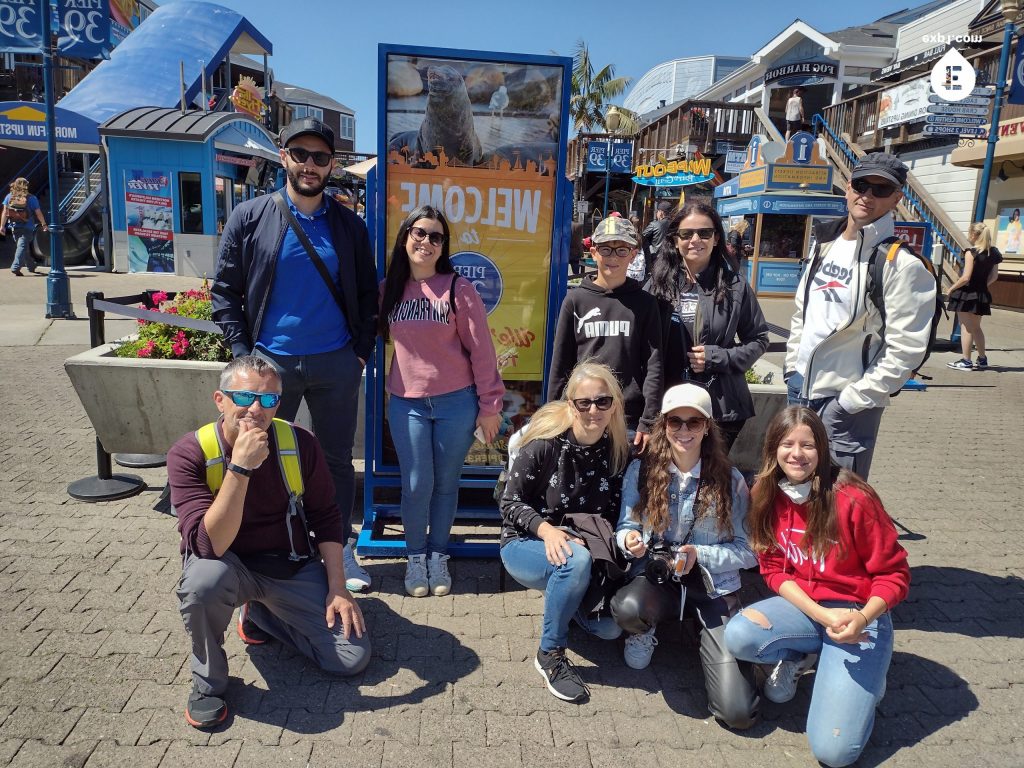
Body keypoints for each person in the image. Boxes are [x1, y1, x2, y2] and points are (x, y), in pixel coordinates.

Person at [212, 117, 376, 592]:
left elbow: (368, 296)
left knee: (336, 461)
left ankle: (340, 550)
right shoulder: (251, 216)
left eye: (320, 158)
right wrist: (244, 356)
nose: (310, 165)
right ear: (283, 157)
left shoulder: (349, 225)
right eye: (300, 154)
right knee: (258, 455)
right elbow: (225, 290)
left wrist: (358, 354)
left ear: (331, 165)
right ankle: (264, 549)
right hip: (270, 366)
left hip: (334, 362)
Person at [169, 355, 371, 729]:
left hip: (286, 563)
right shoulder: (190, 452)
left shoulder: (300, 443)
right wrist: (241, 468)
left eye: (269, 400)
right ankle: (208, 684)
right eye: (244, 398)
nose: (256, 409)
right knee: (201, 585)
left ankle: (261, 613)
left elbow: (327, 516)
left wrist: (338, 588)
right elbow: (208, 544)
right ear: (220, 399)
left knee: (349, 658)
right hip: (225, 564)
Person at [724, 406, 909, 767]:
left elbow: (895, 575)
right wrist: (821, 614)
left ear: (822, 449)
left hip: (859, 615)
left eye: (807, 445)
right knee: (741, 635)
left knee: (833, 752)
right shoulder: (765, 491)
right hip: (810, 608)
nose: (797, 454)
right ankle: (804, 656)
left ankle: (869, 680)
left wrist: (862, 617)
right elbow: (773, 568)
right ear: (773, 448)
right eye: (787, 444)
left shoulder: (853, 499)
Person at [610, 383, 759, 730]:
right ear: (663, 425)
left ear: (707, 426)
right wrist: (629, 539)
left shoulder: (731, 480)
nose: (684, 430)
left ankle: (707, 637)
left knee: (737, 713)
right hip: (659, 580)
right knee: (627, 610)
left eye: (694, 422)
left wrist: (699, 554)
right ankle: (645, 630)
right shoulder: (642, 471)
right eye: (675, 421)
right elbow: (624, 525)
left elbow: (749, 551)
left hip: (712, 588)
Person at [785, 152, 936, 480]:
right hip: (800, 389)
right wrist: (791, 369)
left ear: (897, 198)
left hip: (846, 403)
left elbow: (906, 351)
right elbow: (803, 314)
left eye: (881, 190)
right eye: (862, 185)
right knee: (795, 492)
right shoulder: (823, 244)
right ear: (848, 187)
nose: (867, 195)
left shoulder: (902, 265)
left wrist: (850, 402)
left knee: (838, 504)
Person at [379, 205, 505, 597]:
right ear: (405, 237)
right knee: (417, 484)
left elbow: (482, 351)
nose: (427, 242)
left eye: (436, 236)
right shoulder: (389, 289)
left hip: (456, 402)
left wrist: (490, 407)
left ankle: (438, 554)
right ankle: (415, 556)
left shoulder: (458, 288)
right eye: (420, 233)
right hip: (407, 403)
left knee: (447, 483)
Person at [500, 361, 631, 702]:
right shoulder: (545, 445)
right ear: (570, 404)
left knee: (609, 629)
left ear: (614, 405)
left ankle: (567, 601)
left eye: (602, 401)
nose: (593, 410)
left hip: (583, 549)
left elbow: (616, 513)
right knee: (574, 563)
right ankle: (550, 654)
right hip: (525, 541)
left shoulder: (617, 451)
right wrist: (547, 531)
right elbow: (509, 503)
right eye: (583, 402)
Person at [646, 199, 769, 450]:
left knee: (712, 482)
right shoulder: (657, 286)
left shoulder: (735, 285)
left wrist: (719, 357)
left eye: (704, 233)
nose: (695, 240)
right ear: (674, 239)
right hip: (669, 405)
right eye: (686, 233)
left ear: (716, 238)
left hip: (720, 406)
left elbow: (758, 339)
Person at [548, 216, 663, 450]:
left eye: (622, 250)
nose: (613, 257)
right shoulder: (575, 300)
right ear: (593, 252)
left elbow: (654, 365)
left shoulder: (645, 303)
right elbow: (561, 363)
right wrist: (555, 413)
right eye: (606, 249)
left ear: (633, 254)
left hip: (627, 417)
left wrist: (648, 420)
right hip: (583, 413)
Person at [946, 222, 1002, 370]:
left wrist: (951, 289)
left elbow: (966, 277)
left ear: (973, 235)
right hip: (981, 294)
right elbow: (994, 276)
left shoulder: (971, 252)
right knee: (976, 327)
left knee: (966, 327)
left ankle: (966, 361)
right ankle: (982, 359)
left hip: (966, 293)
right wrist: (982, 286)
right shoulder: (994, 253)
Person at [1, 177, 49, 276]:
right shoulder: (31, 198)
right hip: (27, 226)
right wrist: (44, 224)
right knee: (22, 246)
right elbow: (38, 212)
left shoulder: (9, 197)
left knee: (23, 247)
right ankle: (16, 267)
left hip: (14, 227)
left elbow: (5, 212)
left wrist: (2, 226)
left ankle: (31, 266)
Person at [642, 201, 672, 266]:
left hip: (656, 257)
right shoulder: (675, 224)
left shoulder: (655, 224)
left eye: (657, 211)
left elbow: (642, 237)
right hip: (671, 257)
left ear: (661, 212)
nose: (657, 213)